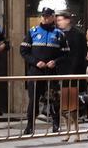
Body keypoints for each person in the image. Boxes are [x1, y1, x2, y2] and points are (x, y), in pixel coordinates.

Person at [19, 7, 68, 135]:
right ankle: (30, 126)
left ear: (53, 17)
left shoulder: (59, 34)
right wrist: (35, 62)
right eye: (43, 16)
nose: (45, 18)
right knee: (33, 100)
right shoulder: (32, 32)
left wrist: (55, 62)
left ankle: (56, 124)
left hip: (52, 73)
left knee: (54, 100)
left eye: (48, 16)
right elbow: (23, 51)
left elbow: (66, 54)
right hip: (35, 72)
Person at [56, 11, 87, 142]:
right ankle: (67, 131)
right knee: (64, 105)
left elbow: (79, 55)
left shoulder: (78, 34)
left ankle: (76, 133)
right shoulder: (58, 34)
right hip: (62, 73)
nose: (58, 22)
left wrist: (73, 72)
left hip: (73, 74)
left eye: (60, 20)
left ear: (67, 20)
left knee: (72, 106)